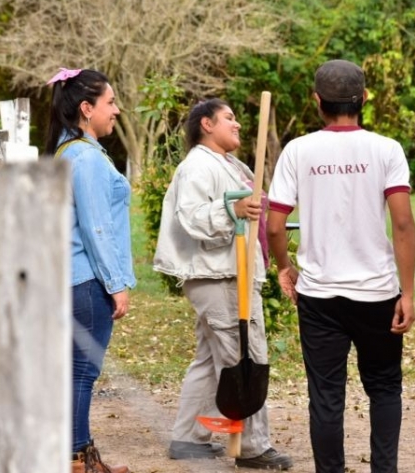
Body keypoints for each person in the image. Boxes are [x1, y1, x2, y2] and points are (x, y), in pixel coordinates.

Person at [265, 59, 415, 473]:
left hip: (319, 295)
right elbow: (402, 223)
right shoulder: (387, 150)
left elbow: (275, 225)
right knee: (384, 389)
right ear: (364, 99)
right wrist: (408, 292)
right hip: (377, 295)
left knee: (326, 397)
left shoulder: (298, 151)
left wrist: (284, 267)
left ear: (317, 102)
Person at [153, 98, 294, 471]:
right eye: (228, 118)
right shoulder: (199, 165)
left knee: (210, 358)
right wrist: (232, 210)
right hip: (220, 275)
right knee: (245, 356)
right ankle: (251, 446)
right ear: (206, 124)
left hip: (227, 273)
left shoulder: (228, 164)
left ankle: (188, 437)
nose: (237, 125)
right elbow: (194, 217)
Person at [45, 67, 135, 473]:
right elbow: (97, 227)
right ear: (86, 108)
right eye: (110, 102)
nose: (116, 110)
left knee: (73, 373)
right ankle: (76, 460)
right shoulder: (85, 157)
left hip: (66, 279)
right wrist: (116, 284)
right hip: (85, 282)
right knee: (83, 373)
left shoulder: (64, 152)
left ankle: (78, 454)